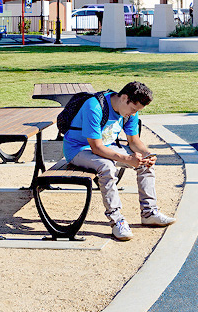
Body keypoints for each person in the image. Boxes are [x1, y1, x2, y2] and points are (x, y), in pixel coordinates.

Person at [64, 81, 175, 241]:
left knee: (144, 162)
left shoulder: (131, 111)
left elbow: (134, 141)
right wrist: (127, 159)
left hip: (105, 147)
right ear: (124, 98)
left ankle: (149, 213)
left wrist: (147, 153)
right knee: (107, 166)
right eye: (133, 109)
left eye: (136, 111)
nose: (132, 114)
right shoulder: (94, 106)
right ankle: (117, 221)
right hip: (79, 149)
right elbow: (96, 148)